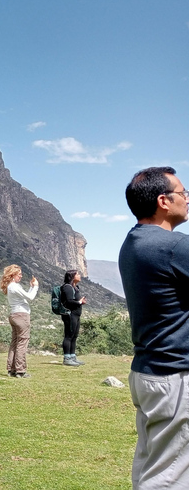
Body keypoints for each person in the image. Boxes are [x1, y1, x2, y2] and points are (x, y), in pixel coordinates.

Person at [118, 166, 189, 488]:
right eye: (183, 193)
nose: (187, 199)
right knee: (169, 478)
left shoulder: (134, 242)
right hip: (174, 376)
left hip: (150, 373)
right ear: (164, 200)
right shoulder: (172, 246)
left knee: (153, 469)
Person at [0, 265, 39, 378]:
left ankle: (11, 369)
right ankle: (20, 370)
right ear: (13, 275)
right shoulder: (15, 286)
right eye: (19, 274)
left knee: (15, 343)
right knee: (22, 343)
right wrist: (35, 287)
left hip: (13, 315)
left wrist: (31, 287)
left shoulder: (10, 287)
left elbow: (25, 296)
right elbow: (30, 298)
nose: (21, 276)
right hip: (21, 316)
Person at [60, 270, 87, 366]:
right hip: (70, 315)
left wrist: (81, 301)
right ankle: (67, 358)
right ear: (72, 276)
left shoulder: (75, 287)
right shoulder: (67, 287)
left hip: (76, 315)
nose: (80, 276)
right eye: (77, 274)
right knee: (68, 336)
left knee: (74, 336)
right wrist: (79, 302)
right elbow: (69, 301)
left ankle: (72, 356)